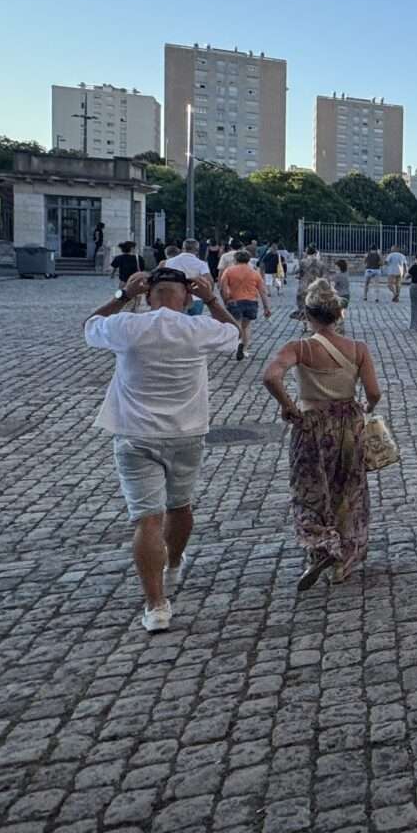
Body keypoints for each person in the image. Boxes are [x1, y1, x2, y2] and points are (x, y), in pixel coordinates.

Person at [85, 266, 242, 633]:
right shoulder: (197, 328)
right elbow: (234, 334)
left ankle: (156, 606)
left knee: (147, 519)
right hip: (186, 431)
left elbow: (90, 325)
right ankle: (172, 564)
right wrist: (211, 299)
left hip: (135, 433)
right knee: (180, 506)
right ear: (186, 297)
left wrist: (123, 296)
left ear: (148, 295)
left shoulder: (128, 326)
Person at [260, 278, 381, 589]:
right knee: (349, 489)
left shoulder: (299, 348)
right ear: (339, 314)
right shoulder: (358, 349)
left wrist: (288, 405)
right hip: (349, 424)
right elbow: (374, 392)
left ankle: (322, 544)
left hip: (312, 423)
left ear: (308, 315)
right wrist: (367, 408)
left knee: (309, 488)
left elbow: (271, 376)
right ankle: (343, 562)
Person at [218, 249, 270, 360]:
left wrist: (225, 300)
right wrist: (266, 307)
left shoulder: (229, 271)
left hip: (235, 301)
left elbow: (222, 288)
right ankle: (245, 349)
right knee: (246, 327)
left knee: (236, 325)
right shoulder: (254, 272)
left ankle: (237, 345)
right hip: (251, 302)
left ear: (235, 260)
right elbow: (262, 291)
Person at [294, 246, 326, 320]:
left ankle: (305, 322)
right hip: (315, 288)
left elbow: (298, 273)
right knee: (315, 306)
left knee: (303, 306)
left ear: (307, 253)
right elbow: (323, 276)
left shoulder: (303, 262)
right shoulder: (321, 264)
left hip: (304, 287)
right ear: (315, 253)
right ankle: (313, 323)